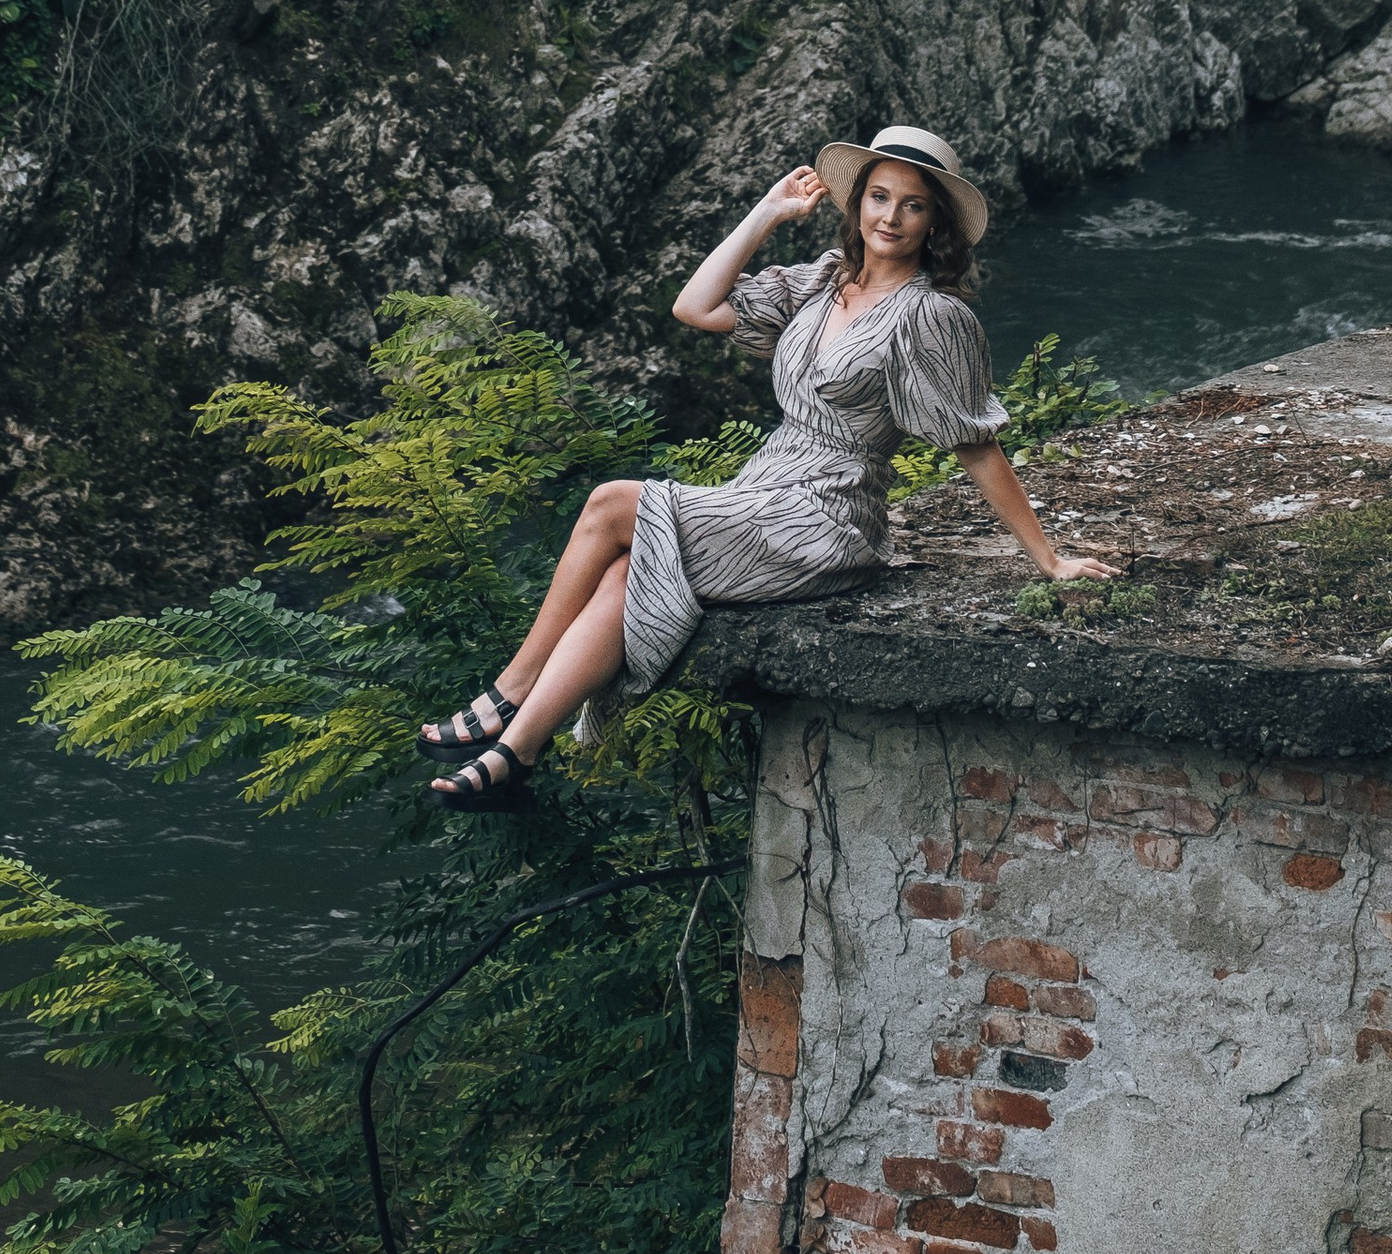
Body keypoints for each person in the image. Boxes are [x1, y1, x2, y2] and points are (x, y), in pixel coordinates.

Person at [422, 123, 1116, 808]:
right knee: (627, 571)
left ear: (934, 222)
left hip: (830, 517)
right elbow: (695, 307)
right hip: (764, 486)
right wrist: (766, 212)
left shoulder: (931, 317)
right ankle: (518, 753)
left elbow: (975, 444)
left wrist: (1048, 560)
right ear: (857, 202)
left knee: (611, 503)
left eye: (913, 205)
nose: (891, 217)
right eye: (879, 197)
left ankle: (511, 692)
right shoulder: (822, 281)